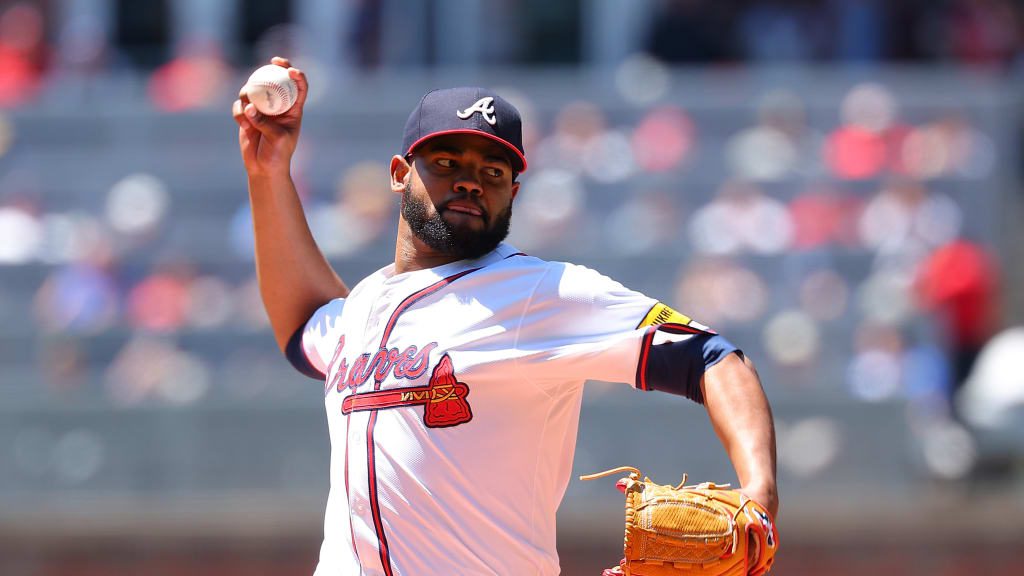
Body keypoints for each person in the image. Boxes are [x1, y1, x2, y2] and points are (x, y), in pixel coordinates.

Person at [232, 57, 778, 575]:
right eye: (447, 163)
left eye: (492, 171)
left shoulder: (543, 292)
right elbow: (302, 322)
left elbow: (713, 358)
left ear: (512, 192)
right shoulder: (365, 305)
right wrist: (268, 172)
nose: (470, 181)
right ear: (400, 173)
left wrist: (759, 493)